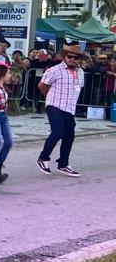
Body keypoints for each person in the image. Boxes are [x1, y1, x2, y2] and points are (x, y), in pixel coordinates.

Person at [36, 45, 86, 177]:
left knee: (69, 136)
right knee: (58, 131)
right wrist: (49, 97)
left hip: (69, 108)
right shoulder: (55, 70)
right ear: (65, 56)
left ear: (79, 59)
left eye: (76, 58)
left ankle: (63, 164)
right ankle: (43, 158)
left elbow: (78, 88)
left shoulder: (80, 72)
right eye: (70, 56)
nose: (72, 59)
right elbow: (41, 85)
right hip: (55, 105)